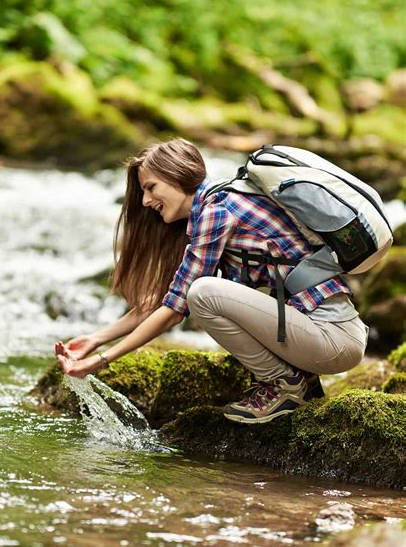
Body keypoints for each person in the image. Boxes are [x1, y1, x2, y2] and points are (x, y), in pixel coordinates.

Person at [55, 138, 368, 424]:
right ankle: (302, 382)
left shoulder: (217, 211)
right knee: (198, 293)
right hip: (322, 338)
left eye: (151, 188)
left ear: (178, 175)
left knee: (203, 293)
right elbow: (163, 301)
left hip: (333, 338)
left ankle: (284, 384)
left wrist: (102, 360)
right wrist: (96, 339)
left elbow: (176, 309)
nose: (146, 201)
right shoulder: (217, 205)